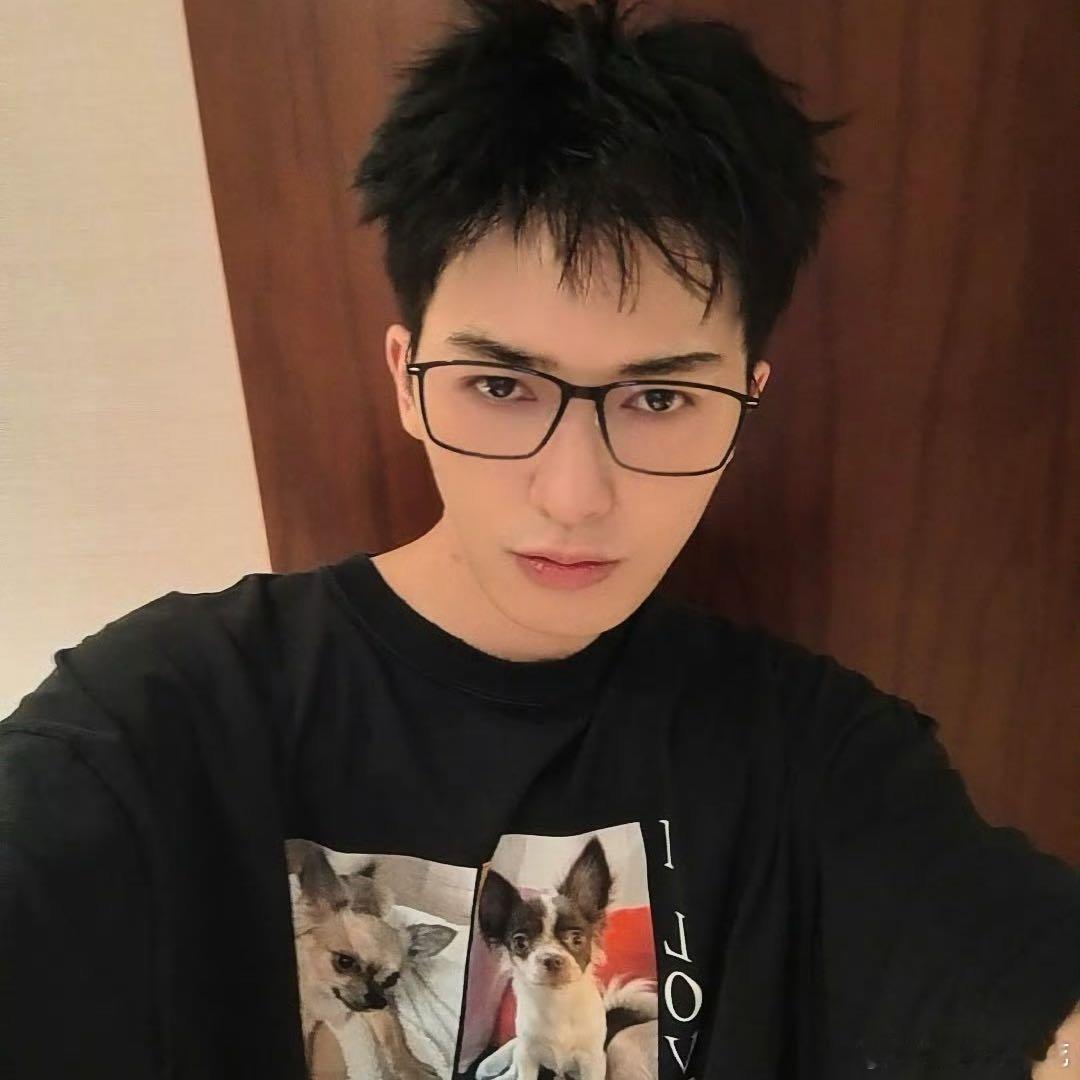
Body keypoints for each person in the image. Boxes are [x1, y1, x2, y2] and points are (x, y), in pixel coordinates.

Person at [1, 1, 1076, 1077]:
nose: (573, 495)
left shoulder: (819, 759)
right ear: (407, 382)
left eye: (660, 398)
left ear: (747, 403)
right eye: (501, 385)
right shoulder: (167, 714)